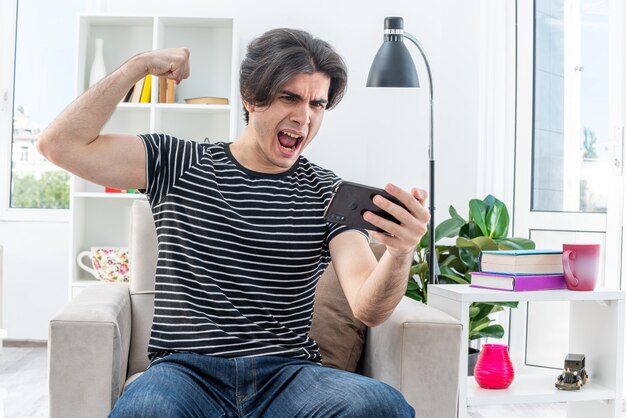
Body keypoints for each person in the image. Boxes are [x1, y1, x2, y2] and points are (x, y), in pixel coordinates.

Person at [38, 27, 429, 418]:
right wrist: (137, 66)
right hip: (185, 374)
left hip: (288, 377)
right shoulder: (177, 162)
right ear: (250, 97)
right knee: (144, 411)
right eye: (290, 97)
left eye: (317, 105)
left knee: (383, 405)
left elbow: (368, 308)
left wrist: (400, 251)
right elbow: (58, 145)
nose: (304, 117)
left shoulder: (328, 193)